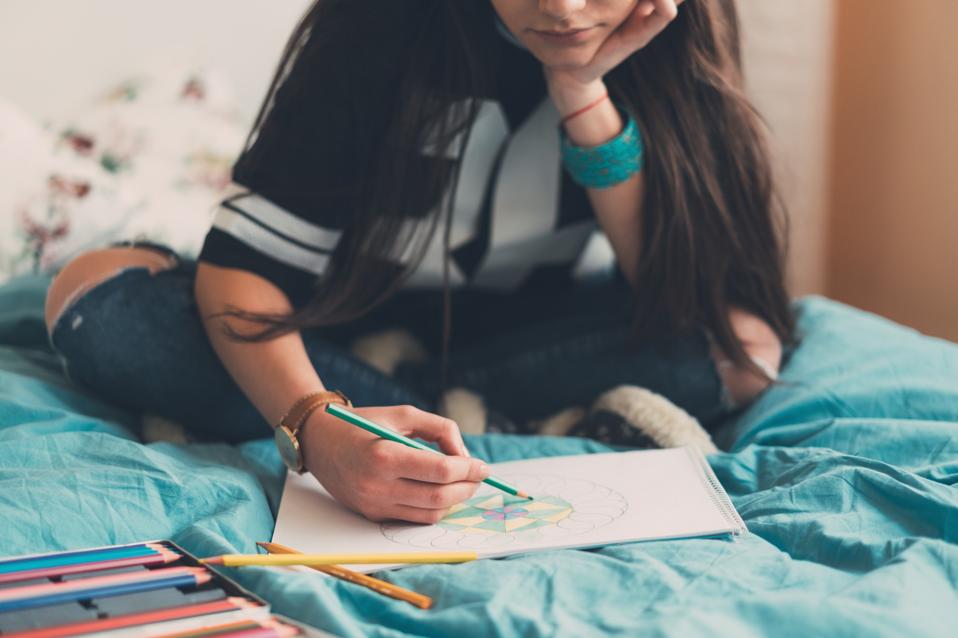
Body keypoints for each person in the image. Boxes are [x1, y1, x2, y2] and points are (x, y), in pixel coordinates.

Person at [43, 0, 793, 524]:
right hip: (341, 322)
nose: (563, 8)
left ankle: (410, 410)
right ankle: (411, 412)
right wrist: (316, 422)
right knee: (93, 296)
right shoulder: (375, 21)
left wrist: (581, 92)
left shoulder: (676, 36)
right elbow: (248, 271)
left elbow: (676, 295)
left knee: (746, 350)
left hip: (537, 334)